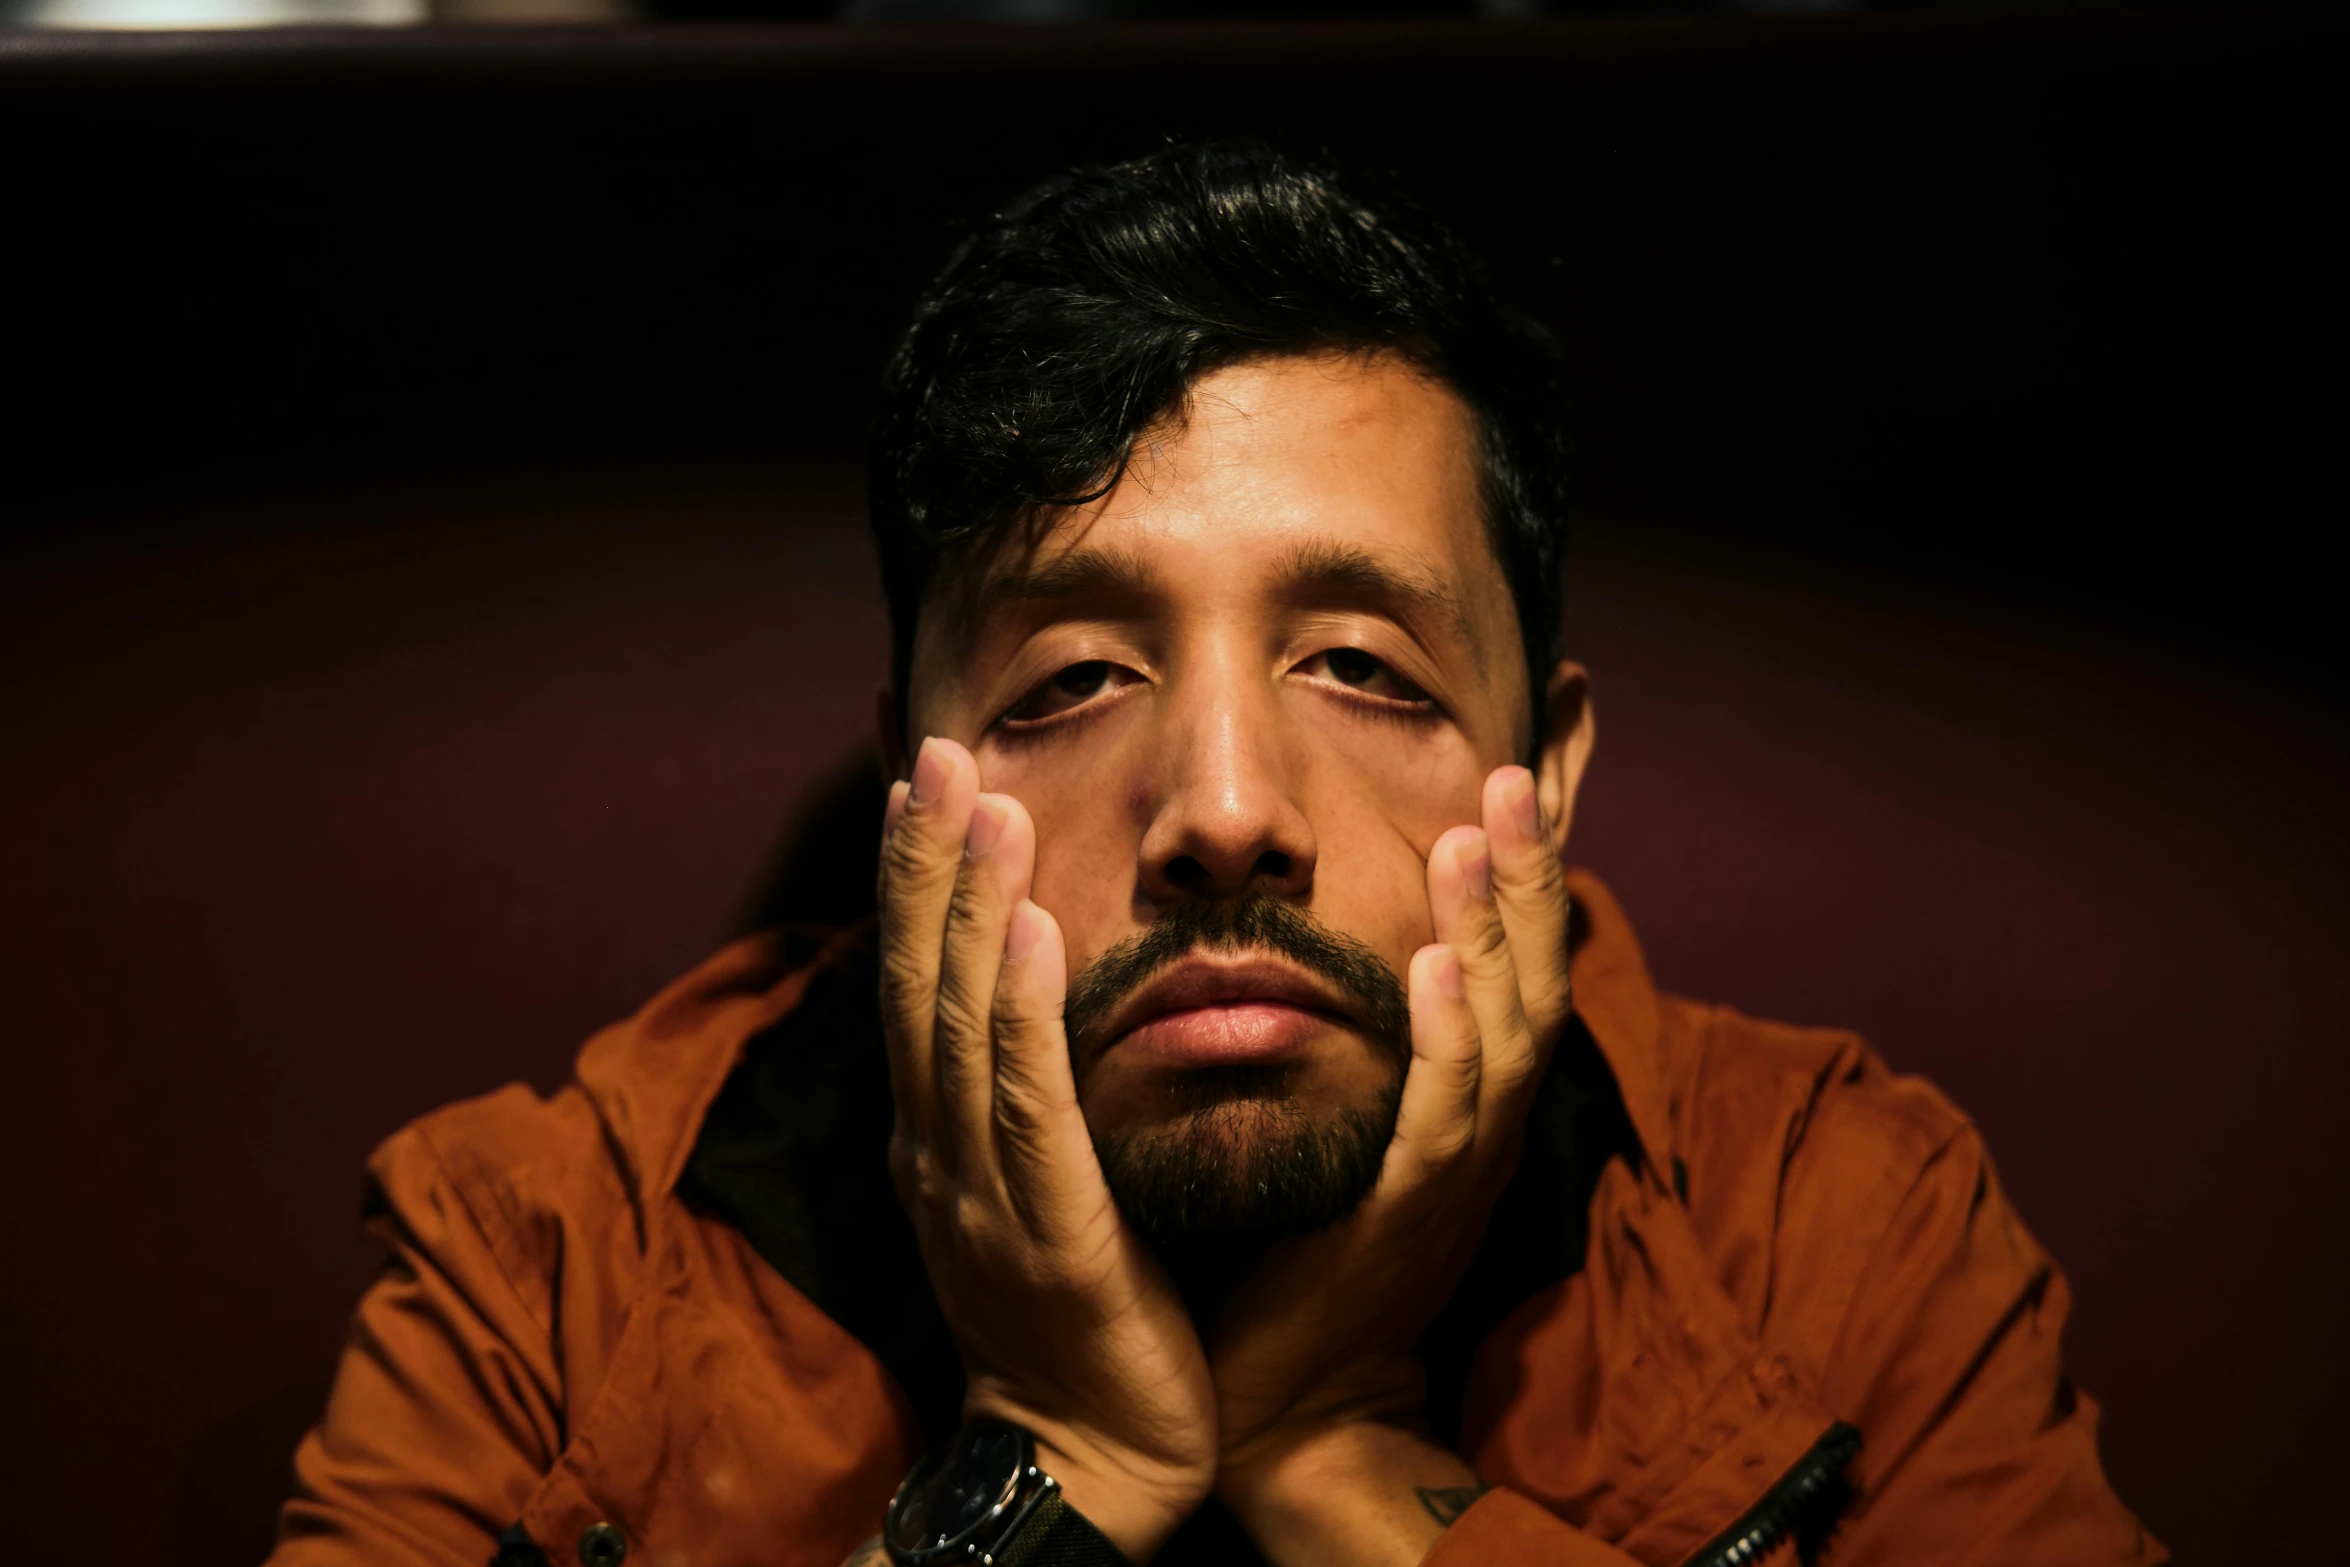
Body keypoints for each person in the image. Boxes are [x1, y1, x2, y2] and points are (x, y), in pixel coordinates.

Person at [267, 143, 2160, 1567]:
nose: (1227, 809)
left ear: (1547, 769)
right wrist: (1054, 1454)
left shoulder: (1838, 1224)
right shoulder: (544, 1256)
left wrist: (1341, 1452)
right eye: (1074, 677)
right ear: (907, 789)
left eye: (1361, 667)